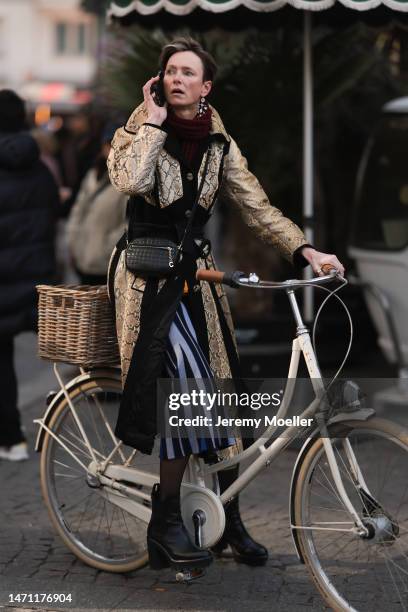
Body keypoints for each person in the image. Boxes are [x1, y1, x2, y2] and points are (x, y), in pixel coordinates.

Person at [107, 38, 345, 573]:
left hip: (196, 275)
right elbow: (129, 179)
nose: (177, 79)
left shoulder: (218, 141)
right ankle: (164, 524)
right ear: (158, 81)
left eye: (187, 73)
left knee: (223, 389)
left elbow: (254, 203)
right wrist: (152, 122)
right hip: (146, 279)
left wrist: (305, 250)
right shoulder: (138, 129)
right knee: (185, 388)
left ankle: (227, 516)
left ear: (205, 86)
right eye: (170, 71)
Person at [0, 90, 58, 461]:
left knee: (2, 361)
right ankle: (68, 424)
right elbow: (54, 211)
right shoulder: (41, 168)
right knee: (58, 352)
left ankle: (11, 437)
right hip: (36, 276)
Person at [66, 123, 127, 285]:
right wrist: (73, 242)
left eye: (118, 144)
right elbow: (78, 210)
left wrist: (107, 249)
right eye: (108, 145)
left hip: (107, 263)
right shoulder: (93, 173)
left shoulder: (129, 181)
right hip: (83, 258)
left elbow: (128, 224)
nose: (112, 150)